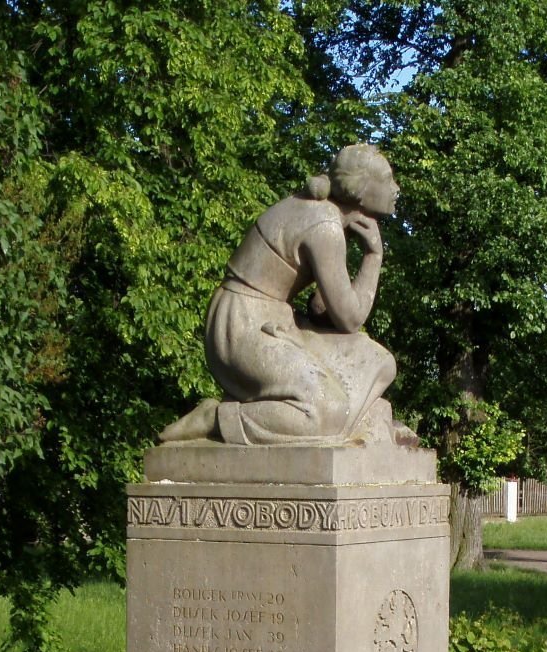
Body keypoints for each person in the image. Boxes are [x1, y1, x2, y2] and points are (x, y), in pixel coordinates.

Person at [160, 144, 415, 446]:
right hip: (242, 324)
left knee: (379, 362)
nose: (395, 188)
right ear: (360, 189)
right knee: (326, 410)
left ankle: (364, 420)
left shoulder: (328, 216)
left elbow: (322, 308)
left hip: (276, 319)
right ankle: (216, 419)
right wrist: (373, 256)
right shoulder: (324, 224)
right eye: (387, 180)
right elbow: (349, 319)